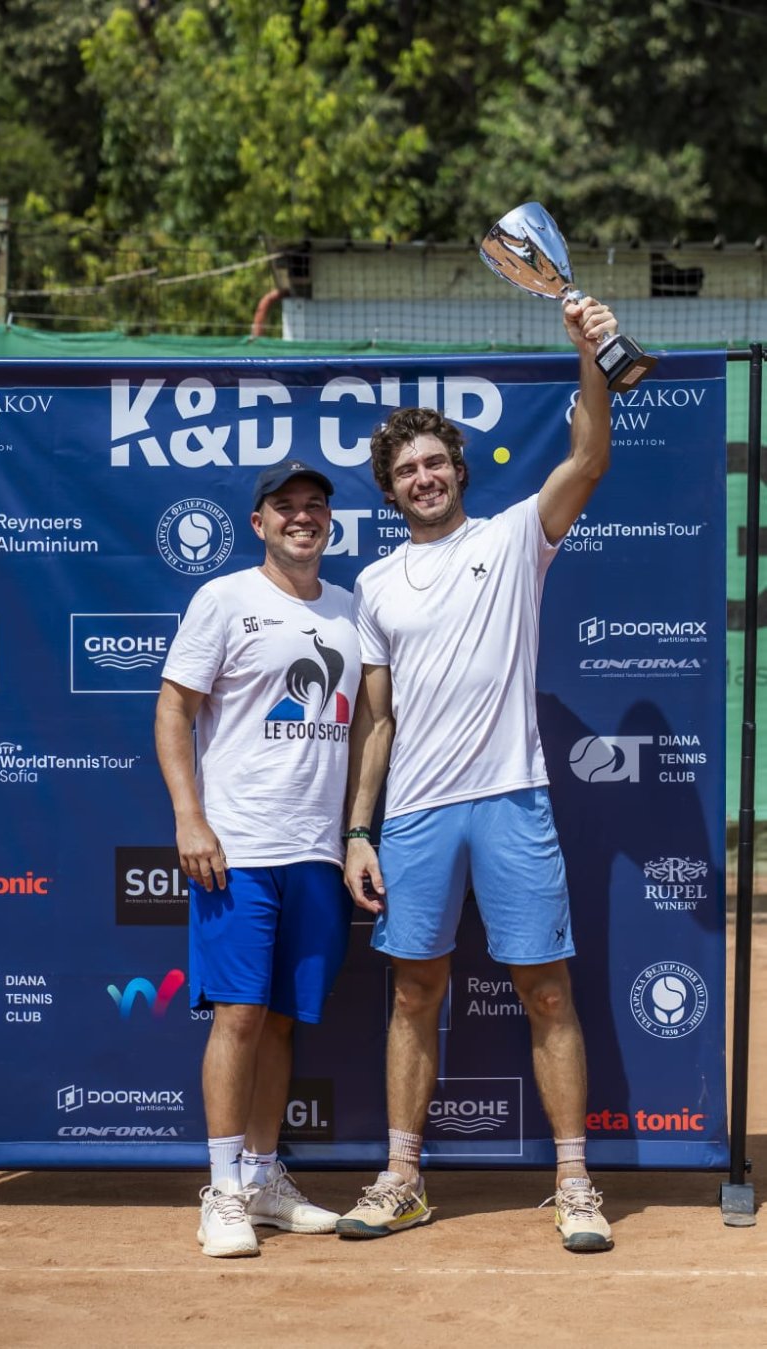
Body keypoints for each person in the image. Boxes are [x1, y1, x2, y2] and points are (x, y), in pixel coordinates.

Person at [335, 296, 618, 1253]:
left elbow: (588, 458)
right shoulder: (373, 585)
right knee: (414, 995)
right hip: (415, 814)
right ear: (391, 490)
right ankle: (403, 1178)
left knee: (547, 991)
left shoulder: (511, 537)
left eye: (435, 462)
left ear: (459, 468)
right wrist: (359, 829)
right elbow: (377, 720)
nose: (423, 477)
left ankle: (574, 1183)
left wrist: (589, 353)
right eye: (405, 470)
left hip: (510, 799)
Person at [155, 460, 360, 1259]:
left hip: (316, 851)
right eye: (286, 506)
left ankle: (264, 1178)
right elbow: (174, 706)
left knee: (279, 1023)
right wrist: (190, 818)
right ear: (259, 522)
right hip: (236, 849)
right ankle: (221, 1190)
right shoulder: (224, 597)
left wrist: (355, 833)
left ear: (329, 521)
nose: (302, 517)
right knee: (238, 1016)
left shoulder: (350, 609)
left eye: (315, 506)